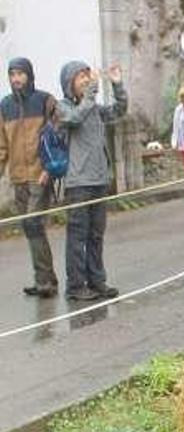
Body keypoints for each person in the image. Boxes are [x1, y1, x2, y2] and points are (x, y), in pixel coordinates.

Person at [57, 60, 128, 301]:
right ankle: (76, 286)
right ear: (69, 83)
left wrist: (117, 85)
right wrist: (90, 95)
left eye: (88, 76)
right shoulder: (62, 107)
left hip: (99, 181)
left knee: (96, 236)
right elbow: (74, 120)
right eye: (80, 77)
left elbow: (119, 110)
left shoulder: (94, 109)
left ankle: (97, 281)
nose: (86, 81)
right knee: (77, 237)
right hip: (77, 184)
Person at [0, 57, 59, 298]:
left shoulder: (45, 101)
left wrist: (50, 168)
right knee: (30, 227)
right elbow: (1, 146)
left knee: (34, 223)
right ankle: (45, 278)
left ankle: (46, 282)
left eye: (20, 74)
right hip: (18, 177)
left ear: (29, 75)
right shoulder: (4, 106)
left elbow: (59, 135)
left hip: (40, 175)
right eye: (12, 74)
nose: (16, 79)